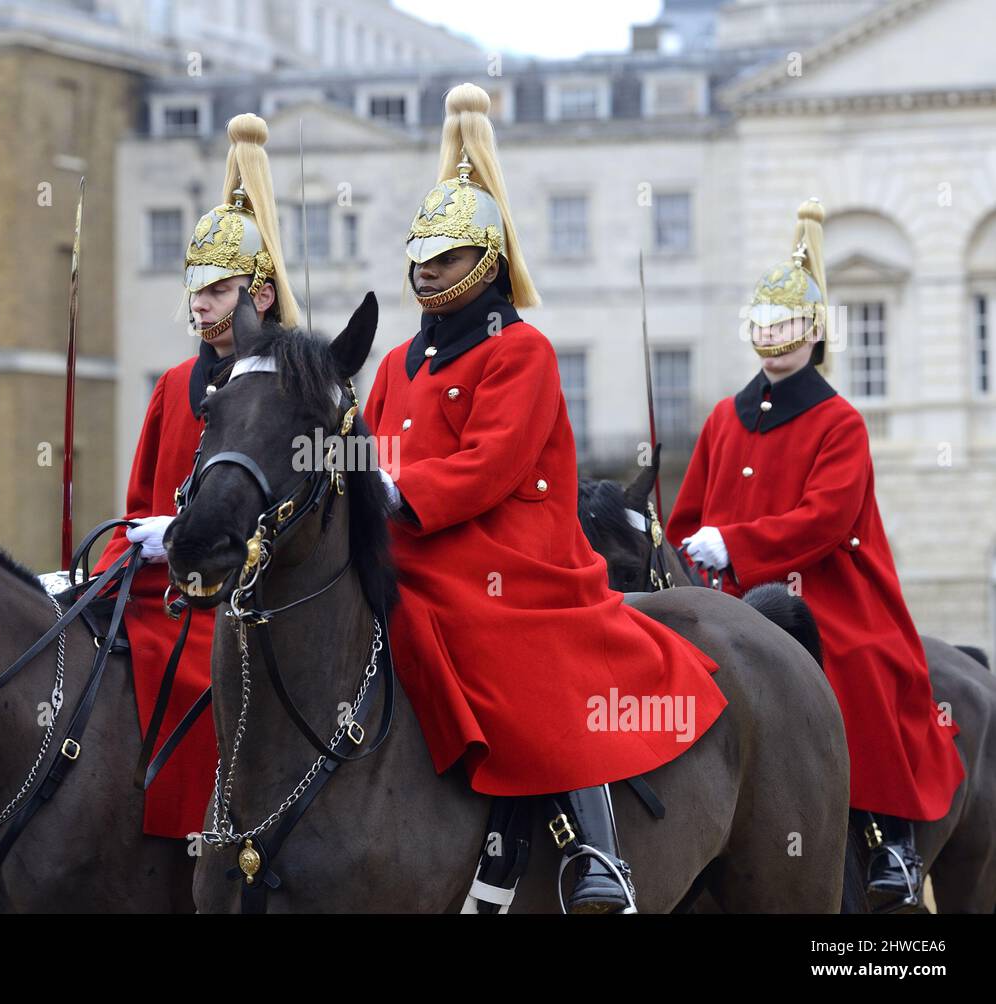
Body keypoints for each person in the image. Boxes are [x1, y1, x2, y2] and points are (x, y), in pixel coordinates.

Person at [362, 83, 728, 913]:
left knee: (509, 647)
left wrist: (395, 488)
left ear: (486, 262)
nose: (425, 271)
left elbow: (491, 466)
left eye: (445, 258)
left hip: (509, 549)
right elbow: (371, 452)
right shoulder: (394, 364)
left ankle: (597, 853)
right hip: (412, 534)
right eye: (419, 256)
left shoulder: (520, 352)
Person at [667, 198, 965, 911]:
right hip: (730, 592)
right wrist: (685, 551)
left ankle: (887, 836)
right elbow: (686, 514)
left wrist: (735, 544)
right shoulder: (721, 417)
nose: (772, 340)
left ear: (814, 333)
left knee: (859, 665)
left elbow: (825, 521)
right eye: (763, 327)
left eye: (786, 327)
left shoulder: (840, 422)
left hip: (830, 585)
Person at [90, 113, 299, 839]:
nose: (200, 305)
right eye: (195, 290)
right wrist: (108, 566)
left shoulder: (288, 385)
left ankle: (192, 832)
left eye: (217, 291)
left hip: (251, 595)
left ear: (260, 296)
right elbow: (138, 507)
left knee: (185, 669)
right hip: (167, 588)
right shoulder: (172, 382)